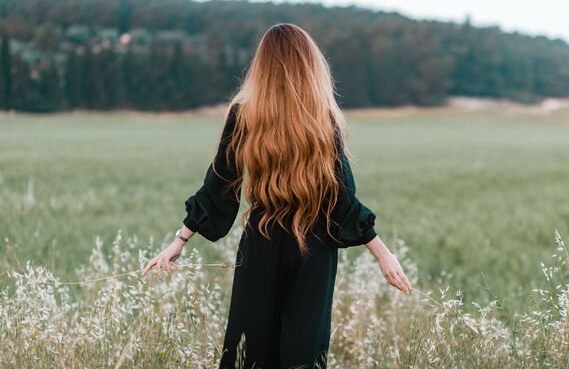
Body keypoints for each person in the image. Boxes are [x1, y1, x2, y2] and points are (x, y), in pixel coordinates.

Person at [142, 23, 412, 369]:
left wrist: (180, 239)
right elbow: (342, 199)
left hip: (262, 242)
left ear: (262, 66)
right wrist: (383, 254)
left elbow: (219, 187)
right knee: (303, 355)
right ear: (309, 65)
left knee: (250, 354)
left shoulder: (244, 115)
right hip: (314, 248)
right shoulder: (322, 120)